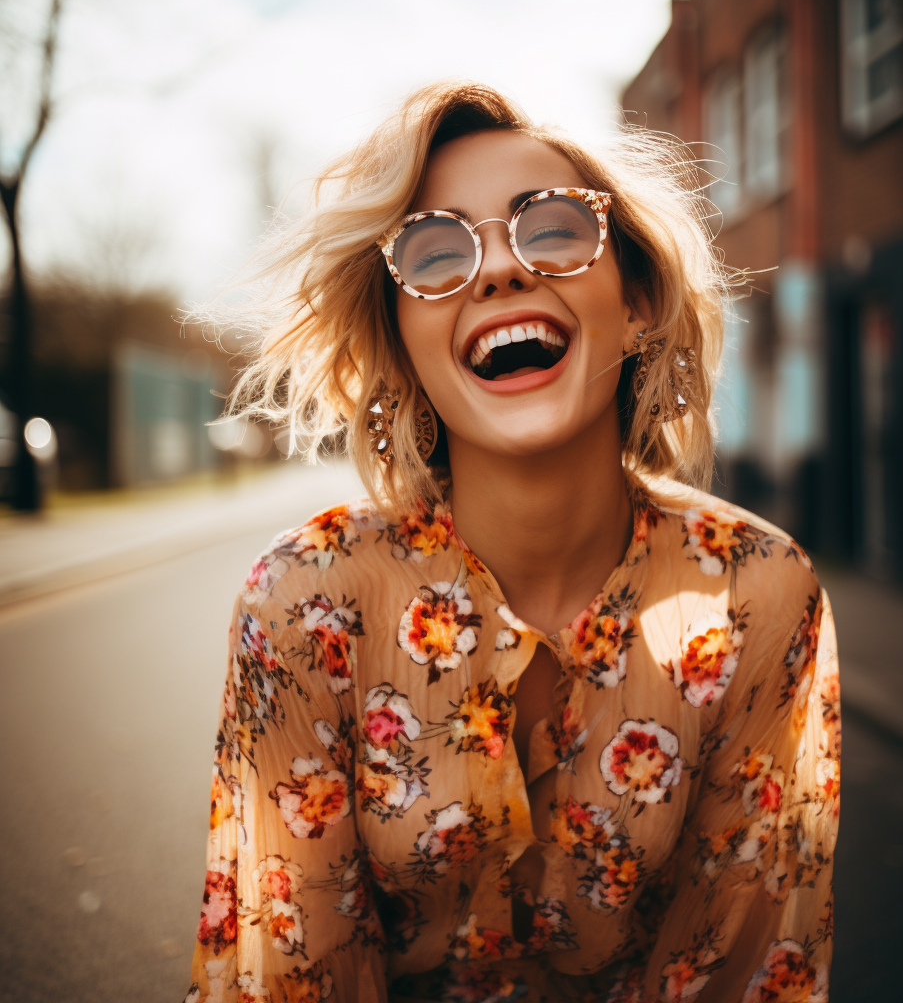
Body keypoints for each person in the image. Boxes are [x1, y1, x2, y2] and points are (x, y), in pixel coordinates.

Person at [184, 82, 840, 1003]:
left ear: (638, 299)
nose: (498, 271)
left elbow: (743, 971)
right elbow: (289, 975)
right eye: (435, 252)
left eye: (555, 228)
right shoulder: (304, 601)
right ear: (402, 338)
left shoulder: (759, 594)